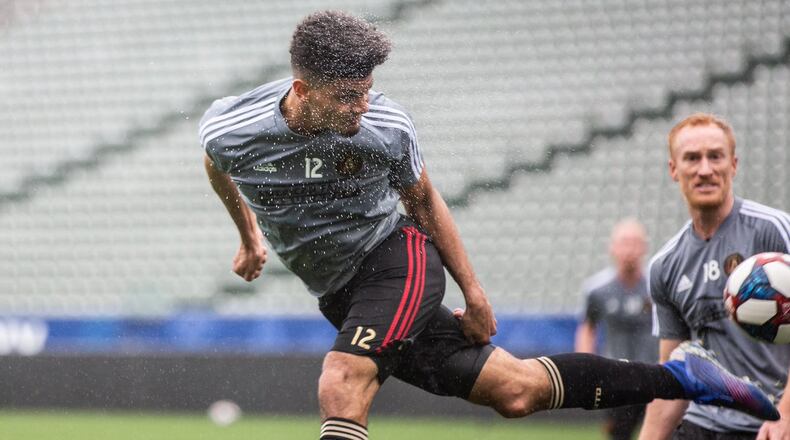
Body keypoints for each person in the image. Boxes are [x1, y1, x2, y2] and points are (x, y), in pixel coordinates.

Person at [199, 11, 778, 440]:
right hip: (338, 294)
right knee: (518, 391)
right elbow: (216, 163)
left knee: (341, 380)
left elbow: (424, 203)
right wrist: (247, 236)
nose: (362, 107)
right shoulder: (230, 129)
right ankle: (683, 378)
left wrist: (474, 294)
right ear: (303, 91)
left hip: (393, 259)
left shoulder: (386, 128)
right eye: (347, 96)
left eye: (367, 92)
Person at [637, 113, 790, 440]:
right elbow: (673, 374)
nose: (705, 169)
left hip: (771, 427)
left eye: (715, 156)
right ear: (674, 170)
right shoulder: (665, 265)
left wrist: (786, 414)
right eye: (692, 158)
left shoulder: (773, 231)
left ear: (733, 165)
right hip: (700, 426)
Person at [575, 218, 657, 440]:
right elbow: (587, 328)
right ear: (612, 247)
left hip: (656, 379)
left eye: (634, 242)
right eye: (624, 242)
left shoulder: (657, 287)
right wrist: (585, 368)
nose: (629, 249)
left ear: (644, 247)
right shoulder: (597, 290)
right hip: (616, 381)